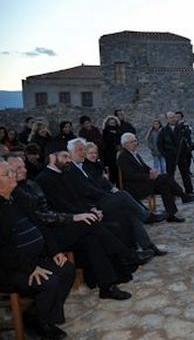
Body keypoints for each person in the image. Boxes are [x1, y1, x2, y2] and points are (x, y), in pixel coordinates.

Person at [7, 154, 148, 300]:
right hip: (47, 237)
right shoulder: (15, 192)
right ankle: (126, 254)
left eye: (23, 166)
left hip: (55, 227)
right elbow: (40, 217)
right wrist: (75, 217)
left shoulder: (31, 184)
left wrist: (85, 212)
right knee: (90, 222)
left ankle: (107, 286)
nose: (24, 169)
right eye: (18, 168)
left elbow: (50, 210)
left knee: (92, 239)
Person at [0, 159, 74, 340]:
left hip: (34, 259)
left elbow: (40, 225)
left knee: (67, 269)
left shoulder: (16, 197)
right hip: (11, 268)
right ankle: (41, 324)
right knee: (49, 281)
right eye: (7, 173)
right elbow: (3, 252)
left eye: (12, 171)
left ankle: (40, 316)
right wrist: (29, 268)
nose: (13, 175)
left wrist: (55, 251)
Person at [118, 132, 194, 223]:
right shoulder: (123, 157)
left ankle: (171, 215)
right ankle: (184, 196)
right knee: (165, 177)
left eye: (135, 141)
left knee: (165, 187)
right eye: (132, 142)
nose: (135, 143)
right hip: (136, 187)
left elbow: (144, 167)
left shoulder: (135, 154)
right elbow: (130, 175)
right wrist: (149, 176)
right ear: (125, 144)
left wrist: (151, 171)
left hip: (145, 183)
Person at [157, 111, 194, 194]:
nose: (173, 119)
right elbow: (159, 144)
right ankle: (173, 192)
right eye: (170, 117)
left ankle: (189, 190)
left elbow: (188, 140)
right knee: (170, 175)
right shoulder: (163, 131)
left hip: (182, 155)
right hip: (170, 156)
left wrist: (188, 148)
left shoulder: (183, 128)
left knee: (185, 173)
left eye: (174, 117)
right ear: (167, 119)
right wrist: (165, 154)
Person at [101, 115, 122, 185]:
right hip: (109, 154)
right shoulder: (105, 132)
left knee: (119, 171)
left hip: (118, 153)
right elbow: (106, 142)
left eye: (113, 123)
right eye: (111, 123)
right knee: (111, 171)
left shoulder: (119, 131)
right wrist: (111, 135)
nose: (112, 124)